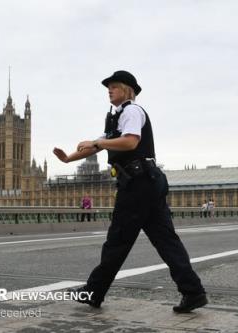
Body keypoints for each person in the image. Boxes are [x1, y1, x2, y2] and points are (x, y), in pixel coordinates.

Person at [53, 70, 207, 312]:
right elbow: (95, 145)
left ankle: (94, 292)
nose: (109, 90)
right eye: (108, 87)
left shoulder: (132, 111)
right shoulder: (116, 118)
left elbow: (131, 141)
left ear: (128, 90)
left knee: (117, 241)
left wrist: (99, 143)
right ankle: (193, 292)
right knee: (167, 241)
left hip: (138, 184)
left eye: (114, 86)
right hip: (147, 183)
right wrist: (68, 159)